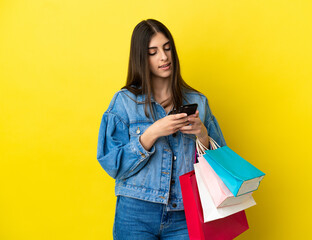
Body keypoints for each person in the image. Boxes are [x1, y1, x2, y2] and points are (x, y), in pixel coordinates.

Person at [97, 19, 226, 240]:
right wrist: (152, 132)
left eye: (167, 48)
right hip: (135, 213)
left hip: (185, 214)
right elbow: (112, 164)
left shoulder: (198, 102)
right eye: (153, 52)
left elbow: (222, 165)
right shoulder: (124, 102)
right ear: (141, 58)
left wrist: (202, 136)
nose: (164, 57)